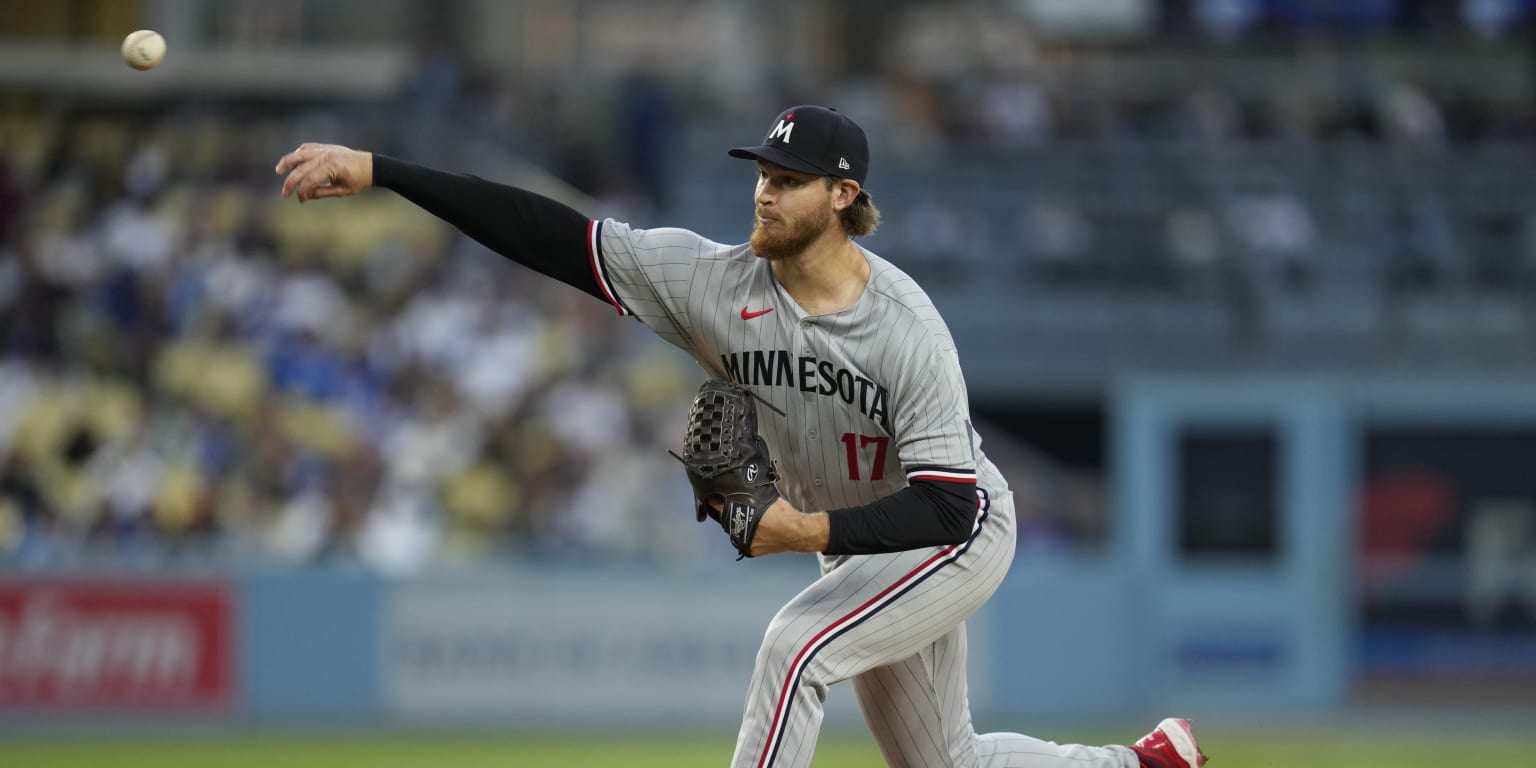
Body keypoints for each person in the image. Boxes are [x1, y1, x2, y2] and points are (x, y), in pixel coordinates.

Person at [276, 105, 1207, 768]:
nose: (763, 195)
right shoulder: (714, 284)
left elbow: (948, 502)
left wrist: (801, 533)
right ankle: (1149, 764)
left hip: (951, 535)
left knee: (793, 649)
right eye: (762, 175)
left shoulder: (905, 326)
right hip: (856, 542)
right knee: (945, 762)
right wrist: (382, 171)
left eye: (788, 182)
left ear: (844, 195)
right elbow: (552, 235)